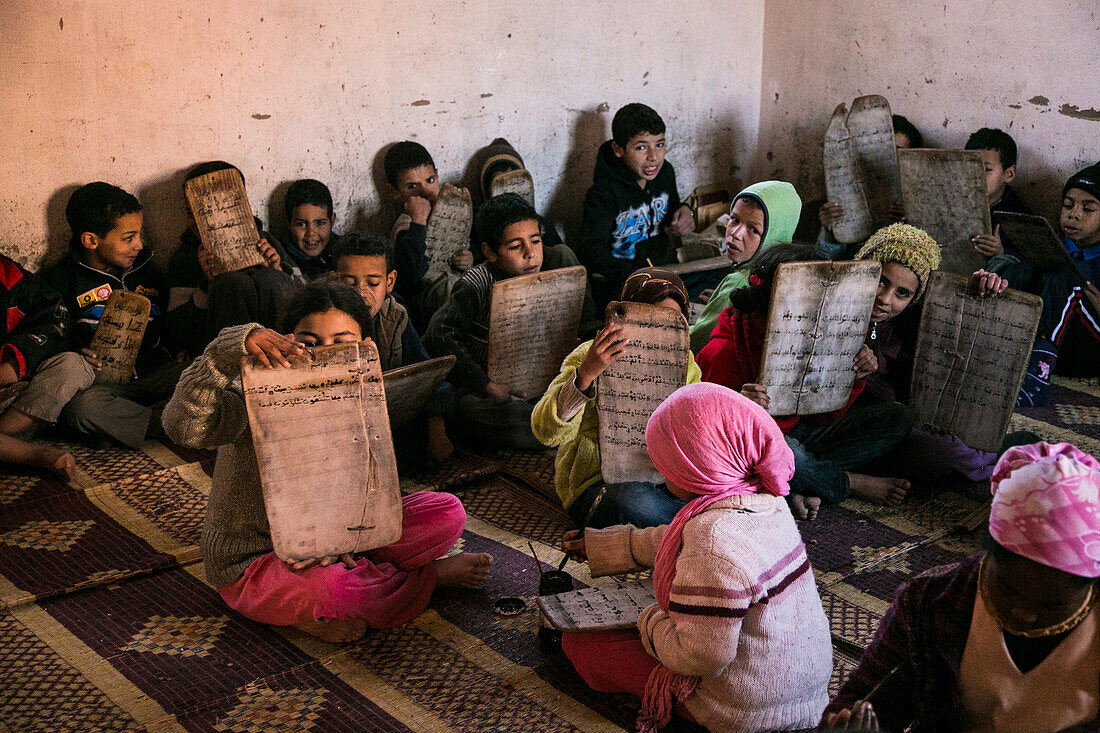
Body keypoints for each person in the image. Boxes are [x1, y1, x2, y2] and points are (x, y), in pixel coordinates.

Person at [162, 279, 492, 643]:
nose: (325, 354)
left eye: (342, 342)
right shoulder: (255, 395)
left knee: (447, 512)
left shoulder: (365, 391)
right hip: (259, 560)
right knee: (336, 589)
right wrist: (225, 352)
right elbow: (182, 426)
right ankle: (425, 580)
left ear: (367, 346)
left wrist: (341, 541)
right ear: (287, 340)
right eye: (310, 343)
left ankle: (339, 590)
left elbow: (366, 491)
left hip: (345, 541)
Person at [560, 382, 832, 732]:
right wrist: (602, 546)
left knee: (581, 643)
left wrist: (650, 620)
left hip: (742, 710)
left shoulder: (711, 537)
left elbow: (703, 657)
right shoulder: (763, 499)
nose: (660, 470)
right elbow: (675, 541)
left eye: (667, 460)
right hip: (803, 694)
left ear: (696, 464)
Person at [824, 441, 1100, 732]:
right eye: (1008, 590)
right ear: (986, 556)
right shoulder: (930, 601)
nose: (1024, 613)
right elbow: (868, 694)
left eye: (1051, 605)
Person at [696, 242, 914, 518]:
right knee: (788, 452)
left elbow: (823, 418)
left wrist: (854, 377)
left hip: (797, 438)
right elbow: (717, 449)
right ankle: (845, 482)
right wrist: (740, 408)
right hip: (758, 453)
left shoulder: (814, 334)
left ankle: (798, 482)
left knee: (898, 418)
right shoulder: (723, 352)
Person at [852, 223, 1028, 482]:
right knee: (947, 454)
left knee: (970, 441)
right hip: (859, 427)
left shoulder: (913, 321)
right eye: (881, 281)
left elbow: (961, 337)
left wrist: (981, 291)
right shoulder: (836, 312)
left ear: (915, 298)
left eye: (902, 293)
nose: (886, 299)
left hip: (908, 418)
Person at [531, 267, 702, 529]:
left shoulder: (685, 364)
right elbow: (546, 429)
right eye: (651, 319)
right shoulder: (590, 355)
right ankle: (693, 525)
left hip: (664, 480)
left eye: (673, 324)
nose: (660, 331)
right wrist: (586, 373)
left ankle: (686, 522)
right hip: (600, 485)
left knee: (719, 488)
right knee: (633, 502)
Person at [424, 193, 588, 451]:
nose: (530, 254)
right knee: (475, 411)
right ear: (489, 251)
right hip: (495, 391)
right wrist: (486, 384)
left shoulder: (559, 263)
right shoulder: (475, 284)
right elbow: (438, 335)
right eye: (515, 247)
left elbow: (587, 320)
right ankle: (559, 428)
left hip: (548, 380)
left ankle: (557, 423)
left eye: (535, 241)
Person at [41, 182, 184, 448]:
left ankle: (131, 423)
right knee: (81, 409)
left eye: (139, 235)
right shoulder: (60, 283)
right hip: (105, 387)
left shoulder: (147, 273)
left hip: (157, 373)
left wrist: (176, 350)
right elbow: (50, 341)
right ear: (91, 240)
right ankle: (166, 423)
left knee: (204, 371)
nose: (139, 245)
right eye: (128, 238)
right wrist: (73, 353)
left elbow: (170, 324)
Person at [332, 230, 454, 468]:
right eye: (349, 283)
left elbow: (427, 376)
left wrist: (437, 433)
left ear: (389, 282)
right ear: (335, 281)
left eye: (373, 283)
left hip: (387, 420)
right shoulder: (326, 321)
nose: (361, 293)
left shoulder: (394, 319)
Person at [166, 161, 297, 356]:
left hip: (278, 354)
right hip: (224, 356)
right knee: (232, 283)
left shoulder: (267, 242)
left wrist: (278, 271)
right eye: (189, 213)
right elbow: (177, 330)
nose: (201, 222)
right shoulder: (185, 257)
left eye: (214, 211)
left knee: (270, 278)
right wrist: (207, 287)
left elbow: (306, 296)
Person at [576, 103, 695, 304]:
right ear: (618, 149)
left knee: (719, 281)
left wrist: (685, 210)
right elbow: (590, 250)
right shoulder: (603, 194)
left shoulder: (665, 172)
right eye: (641, 147)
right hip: (622, 284)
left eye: (660, 144)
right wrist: (637, 276)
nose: (653, 157)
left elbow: (672, 208)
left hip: (666, 272)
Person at [1014, 162, 1100, 405]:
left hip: (1089, 355)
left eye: (1088, 208)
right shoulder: (1061, 245)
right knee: (1021, 269)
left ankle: (1036, 382)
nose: (1074, 214)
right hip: (1061, 349)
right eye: (1068, 205)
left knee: (1064, 278)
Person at [0, 254, 92, 478]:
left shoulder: (9, 276)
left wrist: (15, 365)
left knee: (73, 365)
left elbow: (56, 321)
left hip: (15, 407)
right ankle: (33, 455)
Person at [688, 181, 802, 354]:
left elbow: (696, 341)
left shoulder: (740, 281)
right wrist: (720, 298)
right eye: (734, 220)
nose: (735, 233)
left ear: (773, 236)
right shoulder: (783, 271)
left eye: (753, 230)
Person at [384, 141, 474, 328]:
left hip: (455, 296)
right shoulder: (404, 226)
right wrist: (418, 221)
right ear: (394, 192)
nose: (425, 191)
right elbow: (411, 277)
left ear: (438, 176)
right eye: (412, 186)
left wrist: (470, 260)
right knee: (451, 285)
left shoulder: (450, 212)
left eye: (430, 180)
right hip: (423, 305)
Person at [816, 114, 922, 257]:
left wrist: (911, 226)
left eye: (895, 153)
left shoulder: (920, 208)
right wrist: (830, 231)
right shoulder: (845, 202)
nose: (885, 162)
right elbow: (825, 263)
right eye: (880, 152)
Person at [965, 127, 1032, 263]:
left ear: (1009, 174)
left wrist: (1000, 253)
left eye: (987, 169)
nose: (976, 176)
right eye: (970, 167)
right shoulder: (951, 202)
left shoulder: (1019, 219)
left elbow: (1030, 266)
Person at [283, 178, 341, 280]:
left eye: (320, 223)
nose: (310, 233)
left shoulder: (344, 253)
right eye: (301, 224)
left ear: (332, 221)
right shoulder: (283, 261)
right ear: (288, 223)